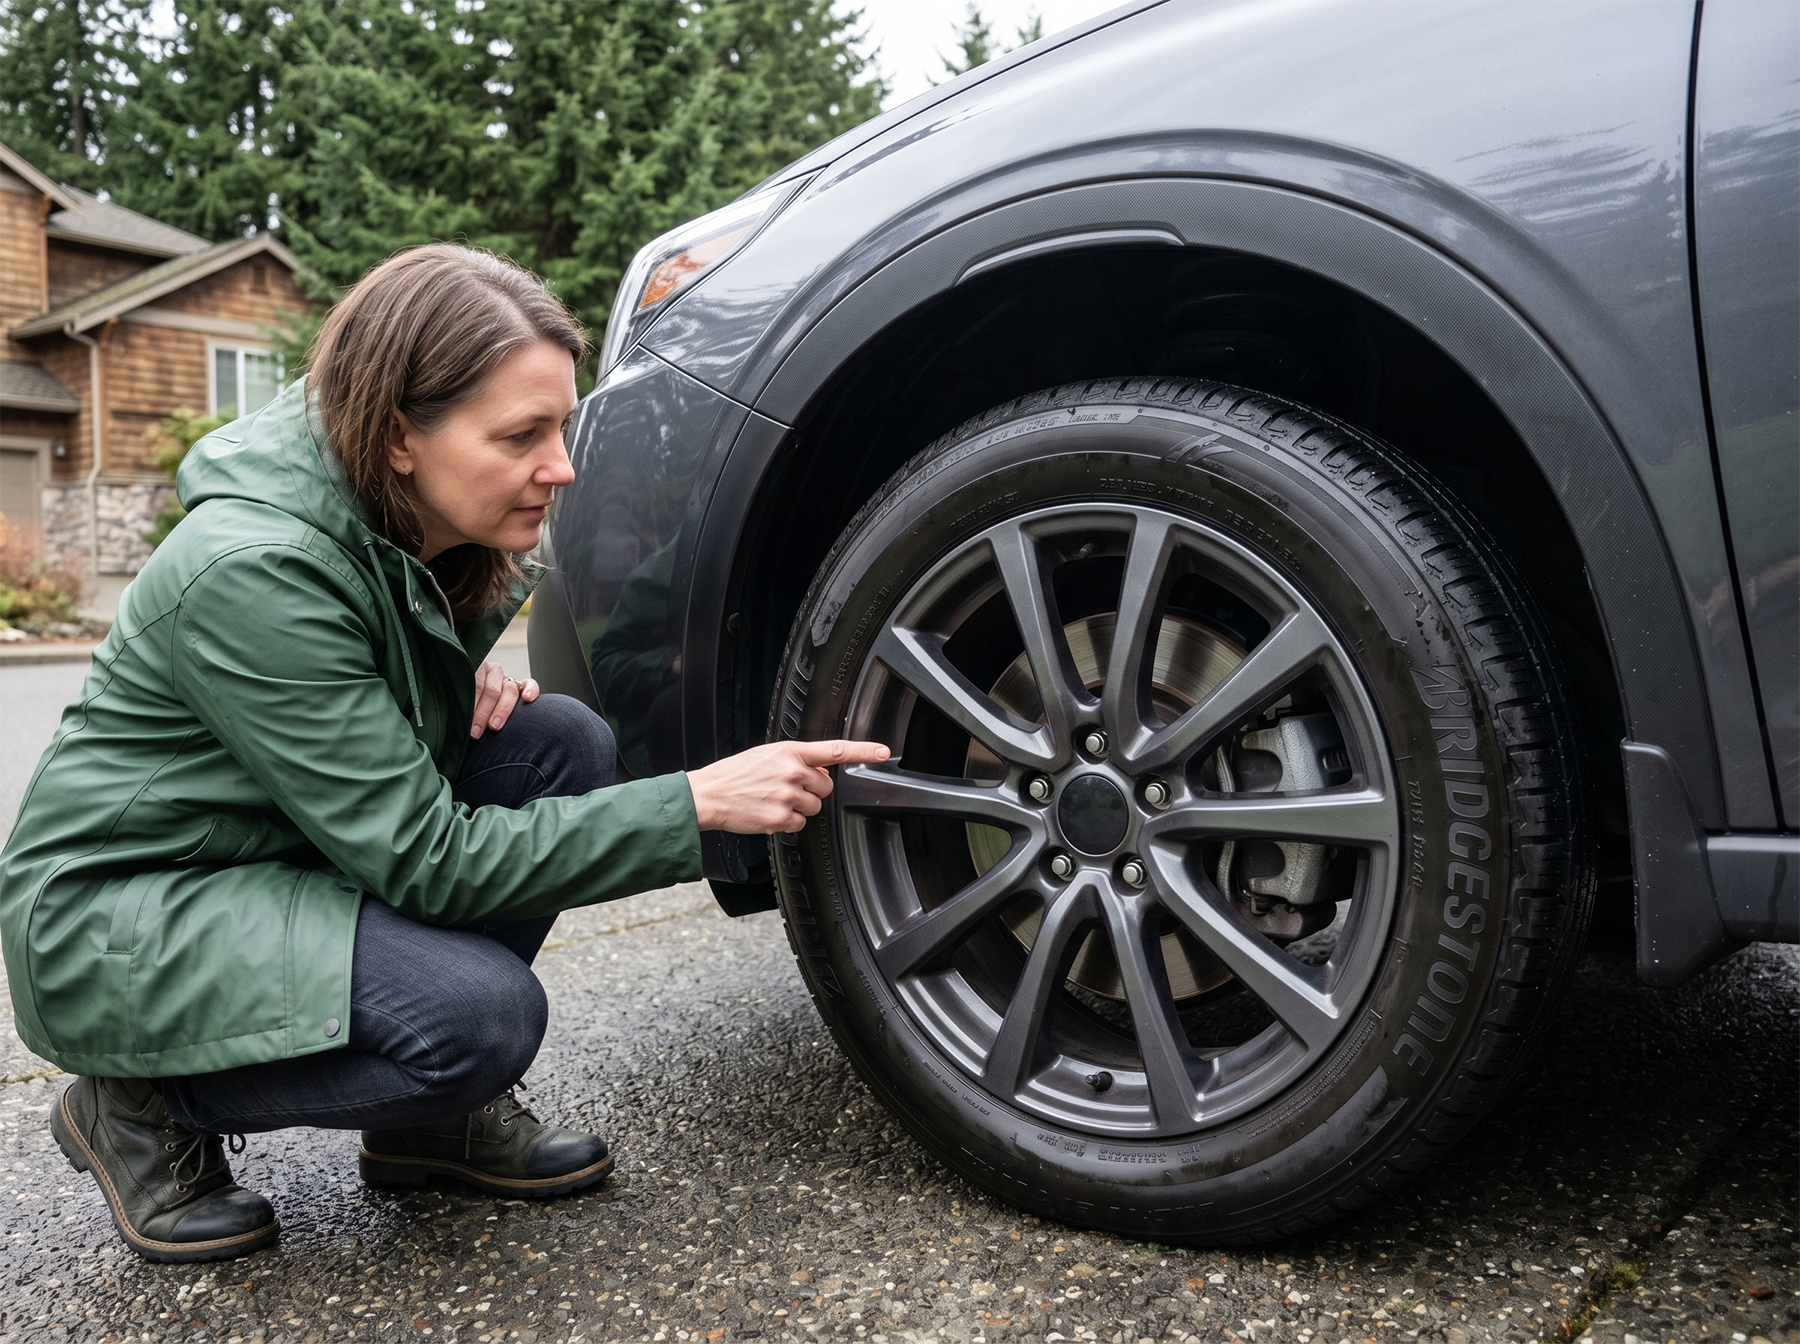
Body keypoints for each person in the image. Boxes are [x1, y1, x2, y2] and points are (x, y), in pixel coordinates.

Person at [0, 244, 888, 1264]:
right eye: (521, 435)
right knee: (479, 1023)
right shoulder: (254, 572)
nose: (560, 466)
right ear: (397, 437)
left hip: (274, 853)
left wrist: (420, 677)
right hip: (126, 912)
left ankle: (423, 1125)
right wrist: (692, 804)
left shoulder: (410, 522)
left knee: (557, 742)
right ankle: (140, 1100)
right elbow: (428, 860)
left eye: (562, 425)